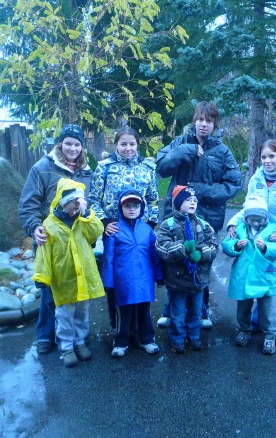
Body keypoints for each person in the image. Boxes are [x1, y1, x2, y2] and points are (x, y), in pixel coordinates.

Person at [156, 101, 242, 329]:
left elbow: (233, 184)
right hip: (177, 217)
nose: (204, 125)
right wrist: (186, 151)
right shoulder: (180, 142)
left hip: (206, 218)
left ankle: (202, 312)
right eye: (201, 120)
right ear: (195, 121)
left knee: (202, 263)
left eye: (209, 121)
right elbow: (162, 168)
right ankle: (170, 310)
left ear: (215, 124)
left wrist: (200, 190)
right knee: (175, 262)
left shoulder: (222, 151)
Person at [18, 124, 92, 355]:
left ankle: (74, 337)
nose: (73, 148)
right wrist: (34, 227)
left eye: (77, 144)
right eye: (68, 143)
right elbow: (28, 203)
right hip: (50, 237)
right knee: (50, 290)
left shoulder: (87, 171)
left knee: (76, 290)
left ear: (82, 147)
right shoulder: (42, 168)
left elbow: (92, 200)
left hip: (77, 238)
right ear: (60, 144)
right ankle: (45, 335)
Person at [227, 139, 276, 347]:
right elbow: (248, 207)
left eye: (272, 156)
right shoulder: (256, 179)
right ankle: (257, 322)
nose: (267, 161)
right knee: (258, 280)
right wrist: (233, 222)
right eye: (263, 157)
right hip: (258, 240)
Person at [88, 126, 159, 333]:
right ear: (116, 145)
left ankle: (140, 326)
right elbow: (94, 199)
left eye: (132, 144)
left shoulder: (147, 168)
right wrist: (104, 222)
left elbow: (153, 199)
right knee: (117, 276)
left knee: (141, 274)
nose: (128, 148)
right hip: (115, 229)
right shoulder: (105, 167)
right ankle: (119, 326)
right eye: (123, 144)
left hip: (141, 230)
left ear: (138, 144)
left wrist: (150, 225)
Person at [32, 178, 104, 368]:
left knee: (82, 313)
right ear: (64, 202)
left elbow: (96, 232)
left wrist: (86, 213)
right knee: (64, 316)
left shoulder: (83, 220)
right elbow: (44, 253)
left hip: (84, 277)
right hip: (63, 279)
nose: (77, 207)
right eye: (75, 203)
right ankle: (66, 347)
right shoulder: (49, 225)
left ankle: (80, 342)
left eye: (80, 203)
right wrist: (41, 276)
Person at [101, 188, 165, 357]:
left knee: (144, 310)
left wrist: (159, 275)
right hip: (123, 279)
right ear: (120, 207)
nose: (131, 209)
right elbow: (108, 257)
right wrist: (108, 282)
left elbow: (155, 255)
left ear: (141, 208)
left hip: (144, 278)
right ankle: (121, 341)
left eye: (136, 206)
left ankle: (147, 339)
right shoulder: (114, 230)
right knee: (124, 311)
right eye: (127, 206)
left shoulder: (147, 230)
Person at [222, 195, 276, 355]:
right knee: (243, 308)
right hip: (244, 274)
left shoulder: (274, 229)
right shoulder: (239, 229)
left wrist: (266, 247)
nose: (256, 223)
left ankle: (270, 336)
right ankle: (244, 329)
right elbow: (226, 244)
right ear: (246, 218)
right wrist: (236, 246)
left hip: (264, 275)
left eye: (260, 219)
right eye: (252, 220)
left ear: (266, 217)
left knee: (268, 309)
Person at [156, 186, 219, 353]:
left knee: (196, 312)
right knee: (177, 314)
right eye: (187, 200)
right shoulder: (168, 225)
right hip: (177, 280)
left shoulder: (203, 225)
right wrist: (182, 248)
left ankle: (194, 337)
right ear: (178, 203)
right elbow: (162, 248)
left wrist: (202, 252)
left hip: (199, 280)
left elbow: (214, 245)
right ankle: (177, 340)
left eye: (195, 200)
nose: (192, 203)